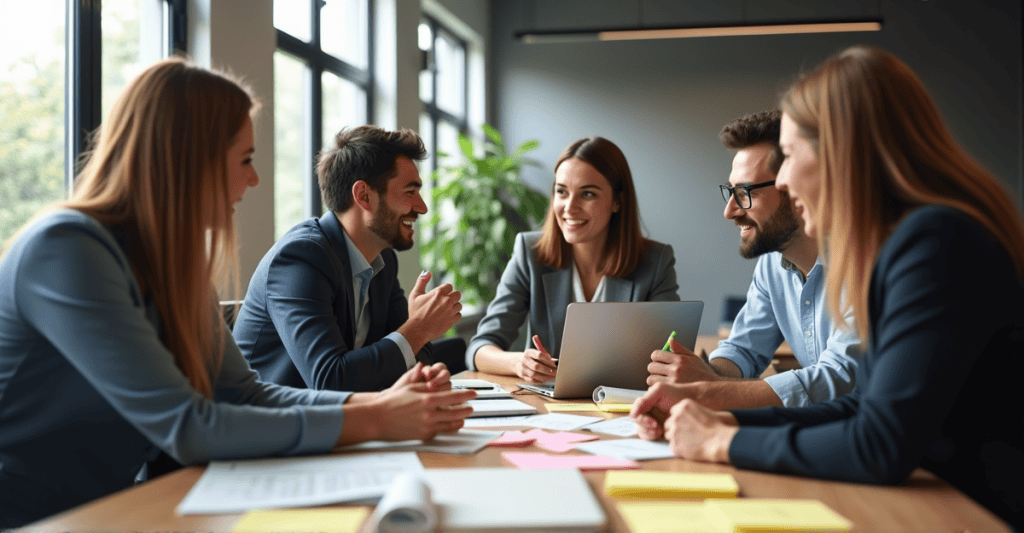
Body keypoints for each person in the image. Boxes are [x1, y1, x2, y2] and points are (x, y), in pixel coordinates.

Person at [0, 59, 475, 528]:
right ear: (187, 160)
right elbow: (188, 425)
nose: (254, 180)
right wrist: (376, 419)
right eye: (245, 160)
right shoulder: (67, 249)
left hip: (114, 506)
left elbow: (243, 393)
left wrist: (382, 406)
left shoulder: (175, 265)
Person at [631, 46, 1024, 528]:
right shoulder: (917, 240)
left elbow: (879, 443)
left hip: (974, 512)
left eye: (791, 156)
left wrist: (721, 441)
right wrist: (723, 416)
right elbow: (862, 407)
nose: (788, 179)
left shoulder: (933, 242)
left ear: (842, 155)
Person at [646, 111, 860, 409]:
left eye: (745, 192)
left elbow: (840, 379)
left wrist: (709, 389)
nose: (730, 211)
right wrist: (699, 374)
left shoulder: (862, 261)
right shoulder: (773, 263)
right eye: (731, 192)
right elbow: (743, 350)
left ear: (793, 185)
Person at [233, 126, 462, 392]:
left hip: (345, 424)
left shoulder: (383, 260)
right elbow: (330, 379)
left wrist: (419, 345)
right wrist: (419, 327)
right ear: (363, 195)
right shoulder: (300, 260)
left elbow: (413, 358)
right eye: (410, 192)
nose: (422, 207)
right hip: (270, 428)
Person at [466, 136, 680, 381]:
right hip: (549, 409)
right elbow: (480, 348)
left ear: (617, 201)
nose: (569, 207)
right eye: (561, 192)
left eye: (587, 194)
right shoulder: (530, 253)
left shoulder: (655, 261)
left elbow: (671, 355)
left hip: (624, 407)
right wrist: (518, 362)